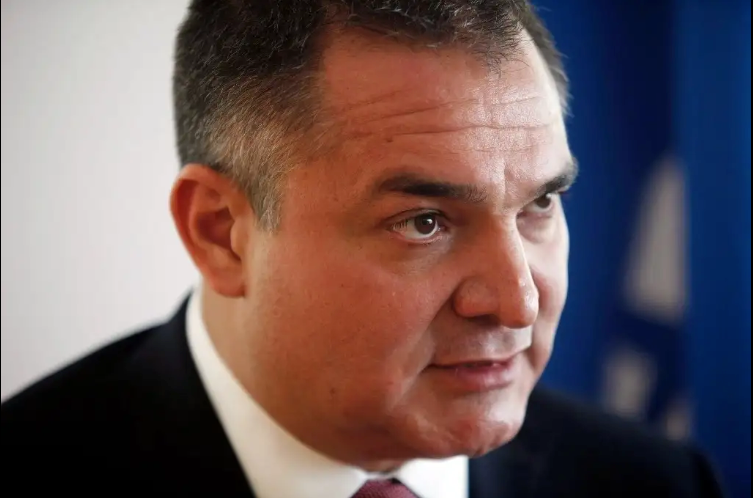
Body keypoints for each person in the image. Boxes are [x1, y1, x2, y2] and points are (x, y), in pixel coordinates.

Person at [1, 1, 727, 497]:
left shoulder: (655, 481)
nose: (517, 302)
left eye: (539, 204)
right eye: (424, 223)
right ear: (220, 232)